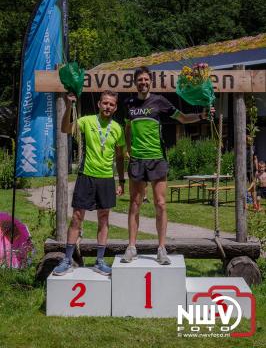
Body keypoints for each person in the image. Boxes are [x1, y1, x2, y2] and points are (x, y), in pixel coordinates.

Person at [121, 66, 214, 265]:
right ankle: (131, 247)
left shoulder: (159, 101)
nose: (143, 83)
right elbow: (127, 130)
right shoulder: (128, 103)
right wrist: (128, 151)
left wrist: (201, 116)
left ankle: (161, 249)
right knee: (134, 204)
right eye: (140, 80)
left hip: (157, 158)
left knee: (161, 204)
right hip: (137, 160)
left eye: (146, 80)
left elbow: (181, 117)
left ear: (150, 82)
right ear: (135, 82)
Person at [53, 90, 125, 276]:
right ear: (99, 104)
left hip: (106, 178)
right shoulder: (86, 121)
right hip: (86, 175)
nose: (108, 106)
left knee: (104, 218)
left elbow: (119, 157)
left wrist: (122, 181)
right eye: (105, 103)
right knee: (77, 217)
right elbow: (65, 129)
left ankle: (99, 261)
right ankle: (67, 260)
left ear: (115, 107)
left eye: (111, 104)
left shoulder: (117, 128)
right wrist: (69, 105)